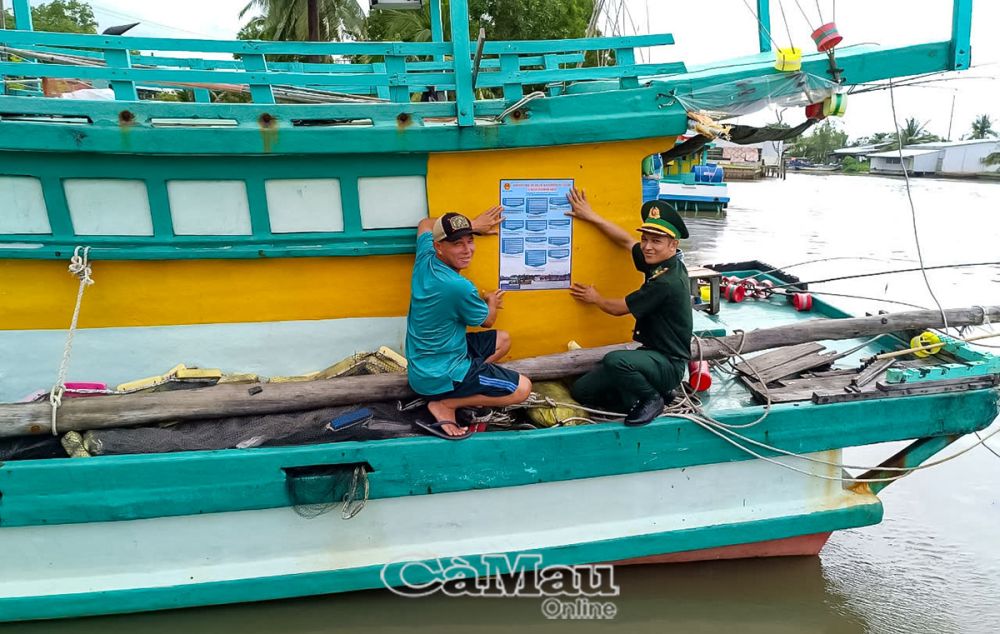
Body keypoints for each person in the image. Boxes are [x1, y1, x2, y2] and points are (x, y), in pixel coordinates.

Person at [565, 189, 693, 426]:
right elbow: (626, 241)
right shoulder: (663, 263)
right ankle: (647, 392)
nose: (647, 246)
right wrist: (591, 215)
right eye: (645, 239)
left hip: (669, 363)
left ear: (673, 244)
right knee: (582, 391)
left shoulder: (666, 281)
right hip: (649, 355)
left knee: (616, 361)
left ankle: (653, 398)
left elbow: (620, 308)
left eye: (656, 241)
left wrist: (595, 298)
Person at [406, 209, 533, 439]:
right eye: (457, 243)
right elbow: (487, 320)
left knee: (503, 340)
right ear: (439, 247)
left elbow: (425, 223)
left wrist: (472, 223)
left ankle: (467, 383)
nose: (467, 250)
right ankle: (447, 403)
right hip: (438, 374)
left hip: (425, 360)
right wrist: (491, 301)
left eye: (470, 240)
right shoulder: (457, 286)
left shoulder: (425, 256)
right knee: (522, 388)